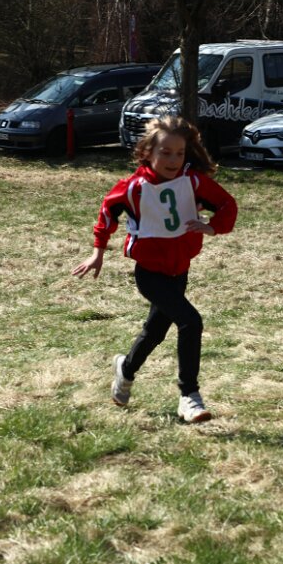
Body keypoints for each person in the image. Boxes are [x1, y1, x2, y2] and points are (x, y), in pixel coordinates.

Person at [72, 116, 238, 423]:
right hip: (149, 273)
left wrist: (213, 227)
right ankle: (189, 396)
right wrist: (98, 252)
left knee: (154, 333)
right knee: (191, 321)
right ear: (148, 152)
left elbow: (227, 204)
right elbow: (107, 211)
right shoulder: (134, 187)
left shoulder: (193, 182)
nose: (173, 160)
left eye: (180, 153)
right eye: (165, 152)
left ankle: (125, 370)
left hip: (180, 270)